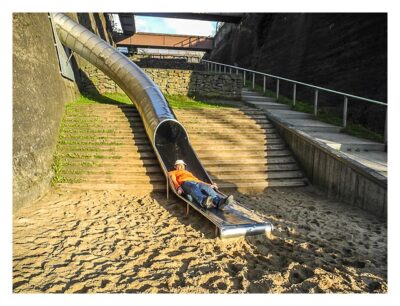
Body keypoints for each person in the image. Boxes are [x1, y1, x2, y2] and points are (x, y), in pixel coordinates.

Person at [168, 159, 234, 210]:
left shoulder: (188, 172)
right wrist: (178, 187)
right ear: (175, 166)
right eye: (179, 165)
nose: (181, 167)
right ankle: (203, 201)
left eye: (182, 165)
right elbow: (173, 179)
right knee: (193, 187)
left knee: (206, 188)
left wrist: (209, 185)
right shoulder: (173, 172)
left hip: (196, 182)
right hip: (185, 183)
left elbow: (198, 180)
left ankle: (219, 202)